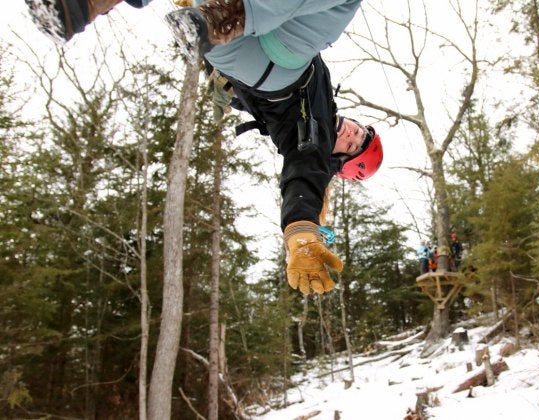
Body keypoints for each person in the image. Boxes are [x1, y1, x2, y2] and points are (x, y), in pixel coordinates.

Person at [25, 0, 384, 297]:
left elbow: (305, 174)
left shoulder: (315, 140)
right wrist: (231, 91)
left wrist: (301, 232)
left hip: (275, 61)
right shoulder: (324, 105)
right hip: (235, 47)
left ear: (338, 160)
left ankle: (221, 16)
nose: (350, 134)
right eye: (360, 133)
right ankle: (73, 8)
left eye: (351, 146)